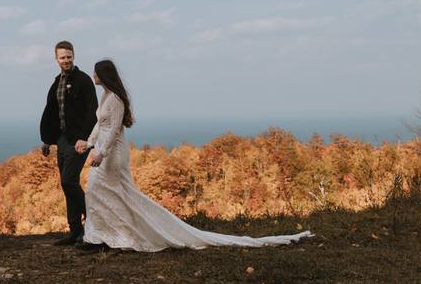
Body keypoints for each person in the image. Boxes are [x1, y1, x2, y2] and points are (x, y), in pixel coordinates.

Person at [75, 59, 313, 252]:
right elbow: (100, 125)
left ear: (103, 75)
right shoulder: (106, 96)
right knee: (104, 192)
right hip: (102, 151)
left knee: (101, 190)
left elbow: (114, 129)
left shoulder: (115, 100)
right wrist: (88, 144)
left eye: (96, 73)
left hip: (113, 154)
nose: (93, 76)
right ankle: (103, 236)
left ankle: (109, 237)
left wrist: (101, 153)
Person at [39, 40, 99, 246]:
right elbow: (50, 112)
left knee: (69, 181)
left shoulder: (83, 80)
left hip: (79, 140)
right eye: (62, 57)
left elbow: (93, 112)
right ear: (56, 59)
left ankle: (94, 223)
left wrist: (85, 138)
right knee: (67, 185)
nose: (66, 60)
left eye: (69, 56)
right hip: (61, 139)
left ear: (74, 56)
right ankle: (75, 231)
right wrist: (47, 140)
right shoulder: (57, 82)